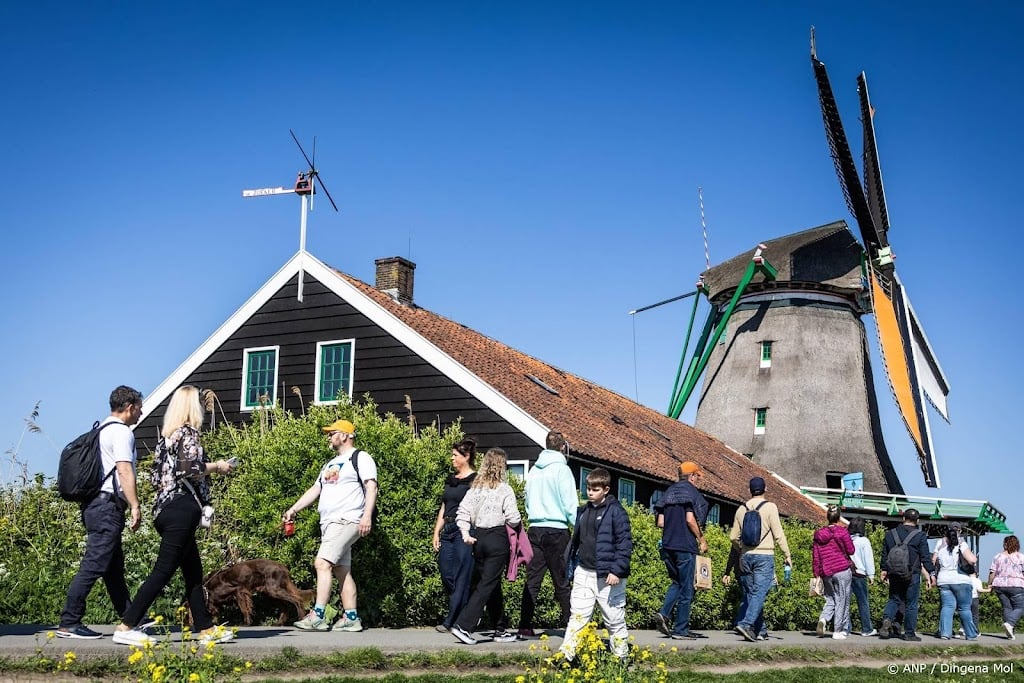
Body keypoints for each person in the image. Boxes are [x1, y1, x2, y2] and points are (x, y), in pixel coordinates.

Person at [112, 386, 235, 646]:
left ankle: (205, 628)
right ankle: (126, 625)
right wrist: (218, 466)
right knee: (163, 570)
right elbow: (189, 469)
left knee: (193, 572)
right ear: (193, 407)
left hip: (164, 508)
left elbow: (156, 477)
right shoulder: (188, 433)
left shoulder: (166, 438)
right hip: (181, 508)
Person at [57, 386, 144, 639]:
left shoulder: (100, 430)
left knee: (113, 568)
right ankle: (70, 621)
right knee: (94, 564)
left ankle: (131, 617)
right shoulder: (122, 433)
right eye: (139, 408)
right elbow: (124, 470)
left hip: (94, 506)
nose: (141, 413)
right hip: (107, 508)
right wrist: (135, 505)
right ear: (130, 407)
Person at [285, 418, 378, 632]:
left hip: (347, 519)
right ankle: (351, 618)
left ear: (344, 435)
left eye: (332, 433)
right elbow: (316, 489)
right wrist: (293, 509)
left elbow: (371, 487)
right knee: (341, 570)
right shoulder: (330, 463)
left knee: (322, 563)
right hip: (329, 522)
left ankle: (317, 615)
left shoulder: (361, 457)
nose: (328, 437)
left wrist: (367, 516)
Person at [559, 468, 633, 663]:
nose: (590, 493)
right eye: (588, 488)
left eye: (595, 489)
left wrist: (616, 571)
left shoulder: (617, 512)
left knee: (614, 619)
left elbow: (625, 544)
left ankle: (621, 657)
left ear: (606, 489)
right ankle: (566, 656)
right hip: (584, 571)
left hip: (608, 576)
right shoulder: (583, 511)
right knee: (578, 616)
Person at [450, 448, 522, 645]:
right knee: (486, 585)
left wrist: (465, 534)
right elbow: (514, 519)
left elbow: (462, 513)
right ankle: (463, 625)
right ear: (502, 466)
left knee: (492, 584)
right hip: (497, 539)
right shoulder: (505, 489)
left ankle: (500, 629)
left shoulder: (475, 489)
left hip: (478, 539)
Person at [518, 430, 578, 638]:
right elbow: (570, 504)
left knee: (533, 580)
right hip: (557, 529)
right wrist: (578, 528)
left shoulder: (534, 470)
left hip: (535, 528)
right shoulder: (562, 470)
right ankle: (572, 626)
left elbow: (527, 500)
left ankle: (524, 625)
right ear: (562, 447)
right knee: (561, 581)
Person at [729, 476, 792, 643]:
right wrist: (787, 554)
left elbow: (733, 537)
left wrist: (741, 549)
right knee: (759, 593)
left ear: (749, 490)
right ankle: (746, 624)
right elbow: (778, 535)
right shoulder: (770, 507)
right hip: (764, 556)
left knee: (752, 594)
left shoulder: (741, 509)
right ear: (765, 489)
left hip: (745, 556)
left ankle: (761, 631)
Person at [653, 461, 708, 640]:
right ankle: (680, 630)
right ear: (691, 476)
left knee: (677, 582)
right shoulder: (690, 493)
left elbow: (660, 522)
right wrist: (702, 540)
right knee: (687, 588)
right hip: (685, 546)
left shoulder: (668, 493)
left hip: (668, 545)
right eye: (697, 477)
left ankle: (664, 614)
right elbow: (690, 519)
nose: (698, 480)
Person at [432, 438, 478, 632]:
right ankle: (469, 610)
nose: (452, 458)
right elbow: (444, 507)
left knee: (461, 575)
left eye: (455, 455)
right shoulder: (451, 480)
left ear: (466, 457)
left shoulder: (475, 481)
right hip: (448, 530)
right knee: (447, 574)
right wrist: (437, 532)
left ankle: (451, 621)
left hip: (463, 530)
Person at [879, 508, 935, 641]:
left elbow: (885, 554)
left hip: (894, 573)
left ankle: (887, 619)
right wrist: (931, 573)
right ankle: (909, 633)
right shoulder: (920, 536)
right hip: (912, 574)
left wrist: (884, 570)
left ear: (903, 518)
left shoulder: (890, 534)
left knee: (894, 599)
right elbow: (925, 557)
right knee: (911, 604)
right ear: (918, 521)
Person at [812, 505, 855, 640]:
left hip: (826, 571)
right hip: (842, 569)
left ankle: (823, 619)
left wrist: (817, 573)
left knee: (831, 598)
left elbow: (816, 556)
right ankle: (838, 630)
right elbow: (851, 550)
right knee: (842, 599)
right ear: (838, 517)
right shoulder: (842, 532)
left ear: (828, 517)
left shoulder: (819, 534)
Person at [931, 526, 979, 640]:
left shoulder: (940, 545)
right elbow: (972, 559)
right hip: (961, 580)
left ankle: (945, 633)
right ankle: (970, 634)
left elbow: (933, 560)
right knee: (964, 608)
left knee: (947, 606)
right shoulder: (961, 544)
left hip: (944, 580)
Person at [988, 534, 1024, 640]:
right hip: (1016, 584)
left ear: (1005, 544)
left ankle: (1010, 632)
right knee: (1020, 607)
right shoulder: (1021, 557)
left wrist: (990, 584)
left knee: (1007, 607)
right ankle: (1010, 623)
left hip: (999, 585)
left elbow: (992, 572)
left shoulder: (998, 556)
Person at [848, 517, 877, 636]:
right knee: (863, 602)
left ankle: (846, 628)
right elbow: (868, 558)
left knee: (845, 603)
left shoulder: (846, 539)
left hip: (846, 573)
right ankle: (866, 629)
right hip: (859, 574)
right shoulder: (864, 541)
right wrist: (871, 574)